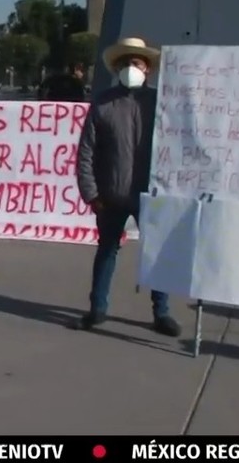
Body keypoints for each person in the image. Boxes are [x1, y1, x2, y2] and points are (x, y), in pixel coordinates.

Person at [72, 36, 181, 337]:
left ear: (147, 69)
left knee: (157, 254)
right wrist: (91, 194)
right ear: (117, 68)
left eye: (137, 63)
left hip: (151, 195)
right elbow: (86, 153)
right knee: (106, 251)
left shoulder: (161, 103)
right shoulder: (103, 103)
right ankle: (97, 309)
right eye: (126, 63)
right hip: (110, 196)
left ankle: (162, 312)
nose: (131, 67)